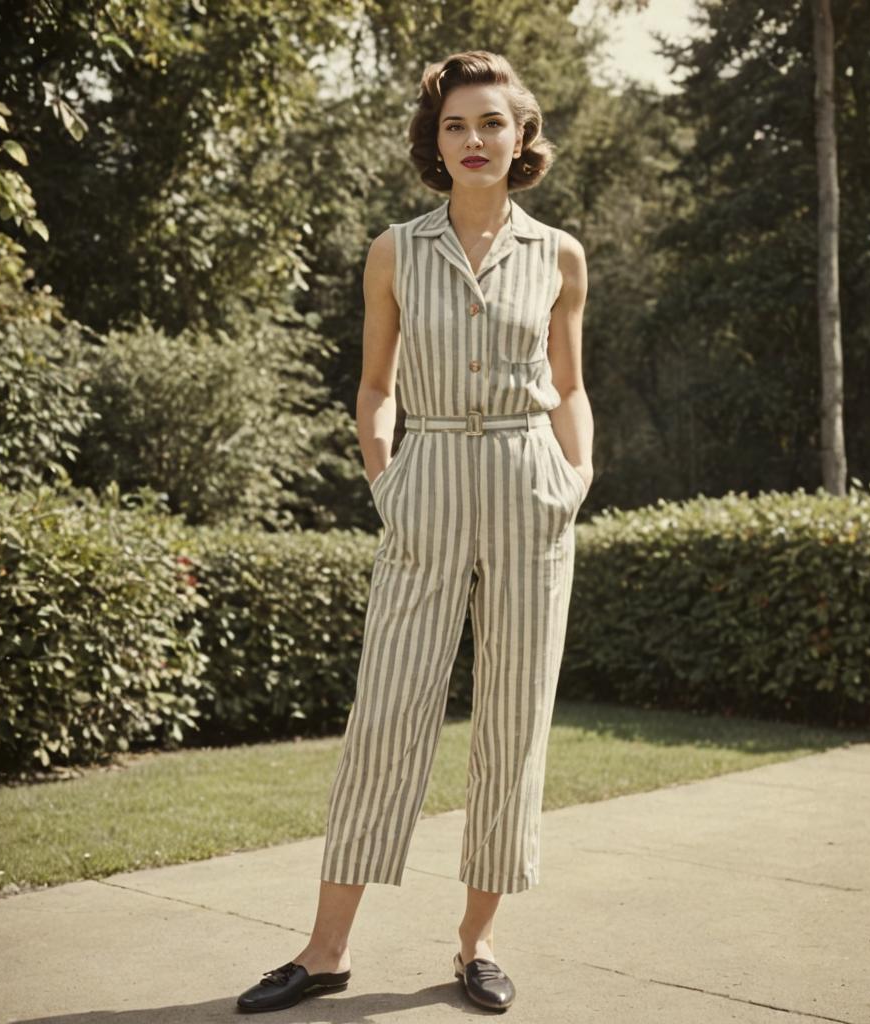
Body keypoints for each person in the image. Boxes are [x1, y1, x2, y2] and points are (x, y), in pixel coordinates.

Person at [236, 48, 593, 1015]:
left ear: (522, 137)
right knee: (386, 715)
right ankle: (324, 950)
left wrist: (576, 475)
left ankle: (477, 944)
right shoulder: (396, 248)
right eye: (454, 126)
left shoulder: (559, 252)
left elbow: (569, 386)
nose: (473, 140)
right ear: (434, 144)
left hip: (530, 488)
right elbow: (375, 385)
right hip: (427, 480)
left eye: (491, 123)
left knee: (513, 723)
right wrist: (389, 482)